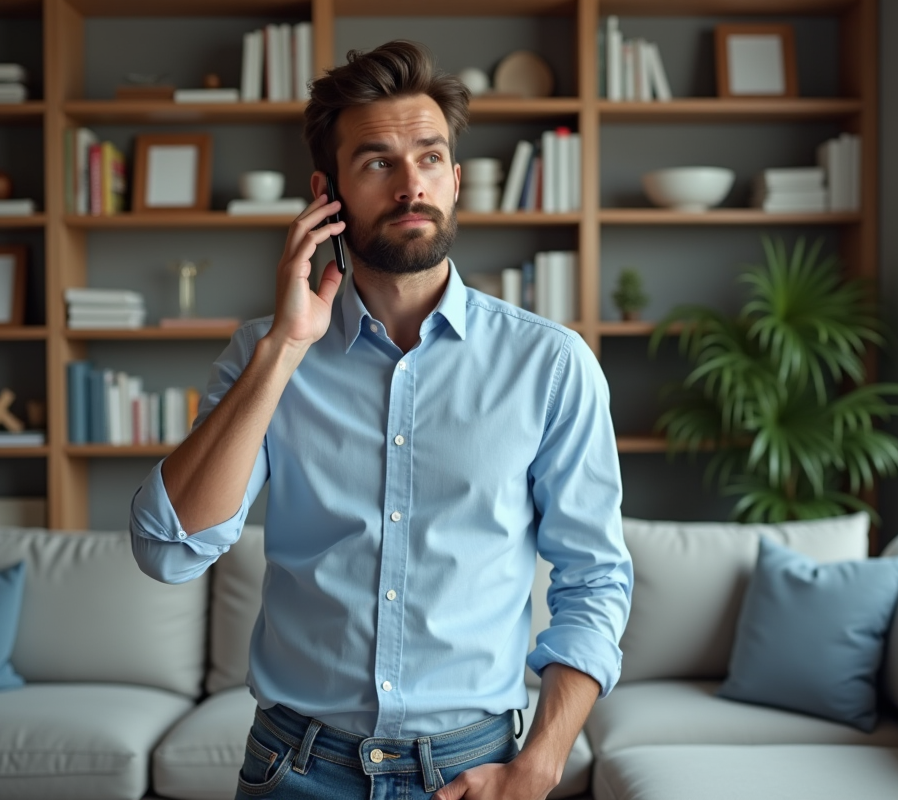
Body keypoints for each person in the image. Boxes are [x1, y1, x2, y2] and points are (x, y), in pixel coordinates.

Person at [130, 40, 632, 800]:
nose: (410, 186)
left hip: (473, 771)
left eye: (430, 159)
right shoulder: (264, 356)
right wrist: (285, 348)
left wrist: (541, 763)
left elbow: (594, 579)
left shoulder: (551, 365)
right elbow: (169, 550)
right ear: (326, 193)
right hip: (294, 768)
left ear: (456, 181)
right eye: (377, 163)